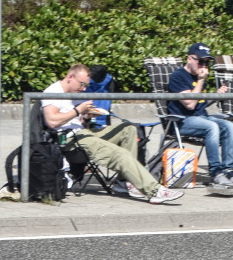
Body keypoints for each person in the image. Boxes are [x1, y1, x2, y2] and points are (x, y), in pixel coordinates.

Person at [41, 63, 181, 205]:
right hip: (69, 139)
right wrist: (78, 110)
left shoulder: (75, 94)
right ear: (70, 77)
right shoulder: (53, 92)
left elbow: (80, 122)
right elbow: (52, 121)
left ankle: (122, 183)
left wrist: (87, 117)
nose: (83, 89)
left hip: (84, 132)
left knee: (128, 129)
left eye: (85, 86)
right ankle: (154, 190)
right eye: (82, 84)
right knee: (121, 154)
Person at [167, 43, 233, 188]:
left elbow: (199, 104)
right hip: (181, 120)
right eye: (200, 61)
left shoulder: (199, 77)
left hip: (200, 118)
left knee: (229, 125)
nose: (204, 65)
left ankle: (228, 171)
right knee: (212, 127)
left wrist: (215, 96)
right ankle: (216, 172)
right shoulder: (178, 77)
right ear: (189, 59)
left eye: (207, 62)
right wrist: (201, 81)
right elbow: (189, 104)